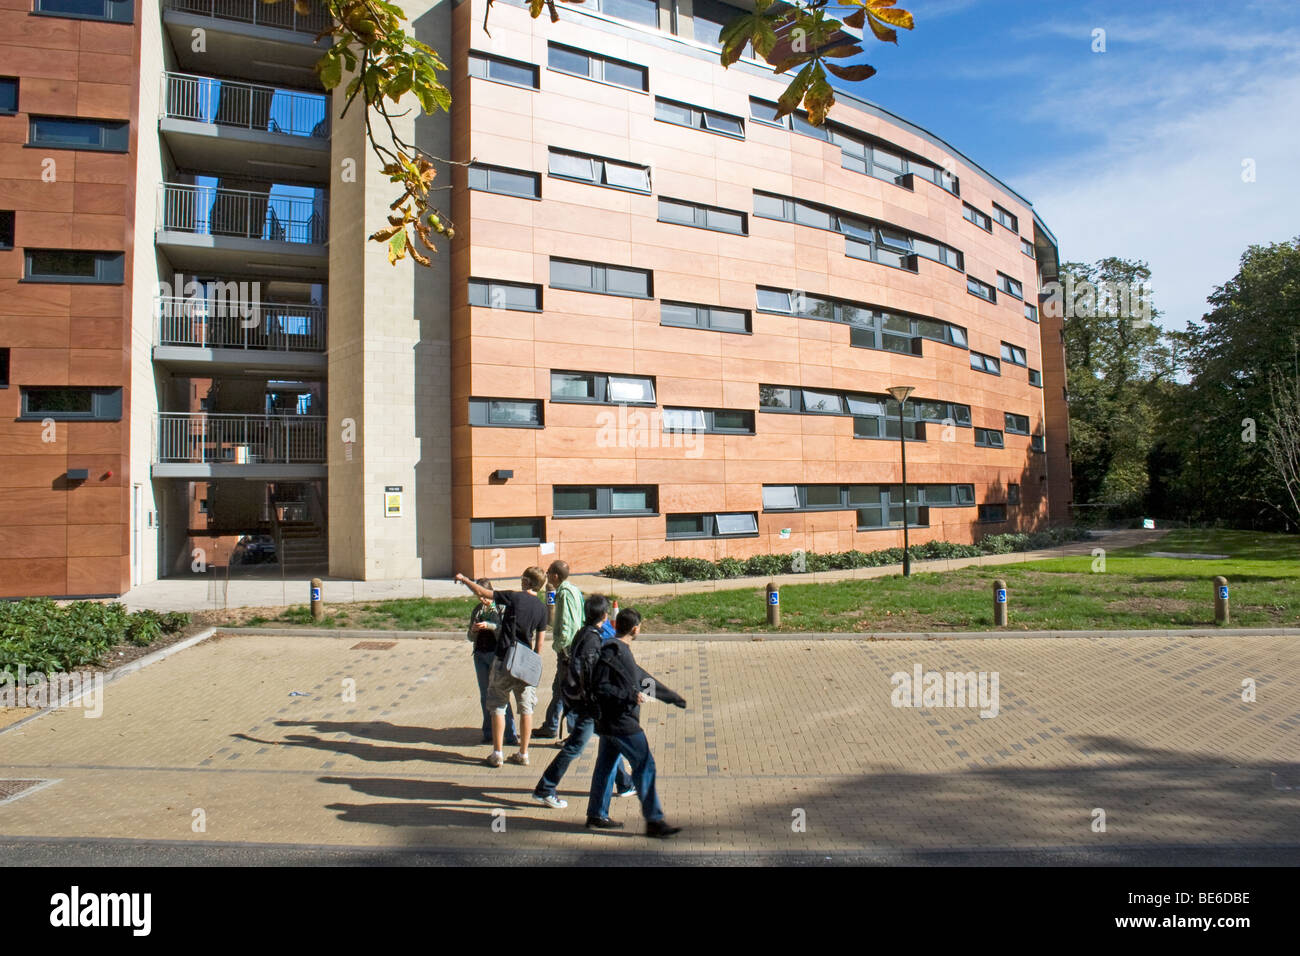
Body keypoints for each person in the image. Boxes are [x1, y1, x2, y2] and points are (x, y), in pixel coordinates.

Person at [586, 608, 687, 837]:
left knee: (606, 766)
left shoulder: (619, 651)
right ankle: (654, 821)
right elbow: (602, 687)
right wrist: (628, 696)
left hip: (611, 723)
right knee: (645, 765)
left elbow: (642, 680)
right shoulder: (614, 651)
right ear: (635, 628)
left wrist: (670, 697)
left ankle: (596, 814)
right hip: (621, 722)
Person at [531, 594, 635, 809]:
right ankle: (545, 788)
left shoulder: (585, 633)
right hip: (589, 706)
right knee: (575, 747)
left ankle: (624, 784)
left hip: (586, 704)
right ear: (605, 616)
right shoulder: (592, 640)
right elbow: (590, 676)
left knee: (611, 740)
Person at [454, 567, 548, 768]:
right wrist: (534, 664)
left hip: (504, 658)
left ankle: (497, 753)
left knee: (497, 704)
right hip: (525, 663)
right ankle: (523, 753)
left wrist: (464, 579)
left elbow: (483, 593)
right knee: (526, 708)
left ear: (526, 582)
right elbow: (540, 643)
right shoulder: (541, 608)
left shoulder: (514, 597)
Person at [466, 578, 518, 746]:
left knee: (500, 695)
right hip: (480, 655)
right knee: (484, 696)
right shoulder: (477, 610)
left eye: (484, 596)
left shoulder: (501, 609)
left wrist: (490, 626)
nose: (483, 600)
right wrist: (474, 630)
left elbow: (504, 633)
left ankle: (510, 734)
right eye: (479, 597)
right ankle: (488, 732)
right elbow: (469, 636)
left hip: (496, 656)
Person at [535, 560, 583, 740]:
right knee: (559, 689)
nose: (546, 575)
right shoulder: (572, 590)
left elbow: (566, 624)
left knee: (568, 692)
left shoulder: (564, 594)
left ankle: (573, 735)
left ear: (555, 575)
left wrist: (561, 648)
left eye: (548, 572)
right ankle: (551, 725)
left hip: (568, 651)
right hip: (571, 649)